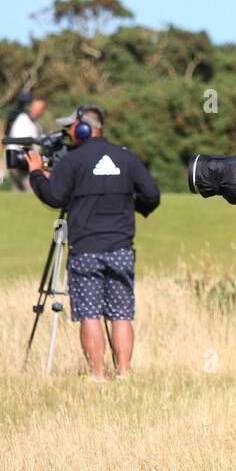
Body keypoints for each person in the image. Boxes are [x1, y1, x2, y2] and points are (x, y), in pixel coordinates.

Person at [26, 105, 161, 381]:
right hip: (122, 247)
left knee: (90, 313)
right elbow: (151, 194)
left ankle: (98, 375)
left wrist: (36, 174)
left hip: (86, 248)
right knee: (121, 314)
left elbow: (55, 198)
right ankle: (124, 373)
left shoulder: (73, 160)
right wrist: (128, 204)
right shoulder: (126, 157)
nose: (68, 132)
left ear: (84, 128)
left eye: (71, 127)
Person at [6, 93, 46, 191]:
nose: (36, 110)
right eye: (35, 107)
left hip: (24, 161)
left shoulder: (35, 122)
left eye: (40, 108)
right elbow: (22, 142)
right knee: (31, 190)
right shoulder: (23, 120)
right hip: (20, 161)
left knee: (18, 190)